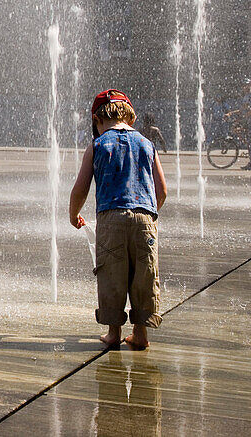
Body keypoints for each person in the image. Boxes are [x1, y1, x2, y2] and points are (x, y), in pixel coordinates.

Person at [68, 89, 167, 350]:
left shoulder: (97, 145)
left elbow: (81, 188)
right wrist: (150, 212)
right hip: (145, 217)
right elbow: (163, 189)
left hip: (111, 217)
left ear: (96, 120)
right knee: (144, 273)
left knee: (112, 274)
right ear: (130, 118)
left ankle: (114, 333)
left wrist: (73, 214)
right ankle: (141, 333)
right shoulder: (147, 144)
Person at [225, 78, 251, 170]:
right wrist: (231, 113)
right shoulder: (245, 96)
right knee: (248, 141)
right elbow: (242, 110)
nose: (245, 87)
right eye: (243, 85)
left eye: (246, 85)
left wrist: (244, 117)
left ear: (250, 85)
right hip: (248, 121)